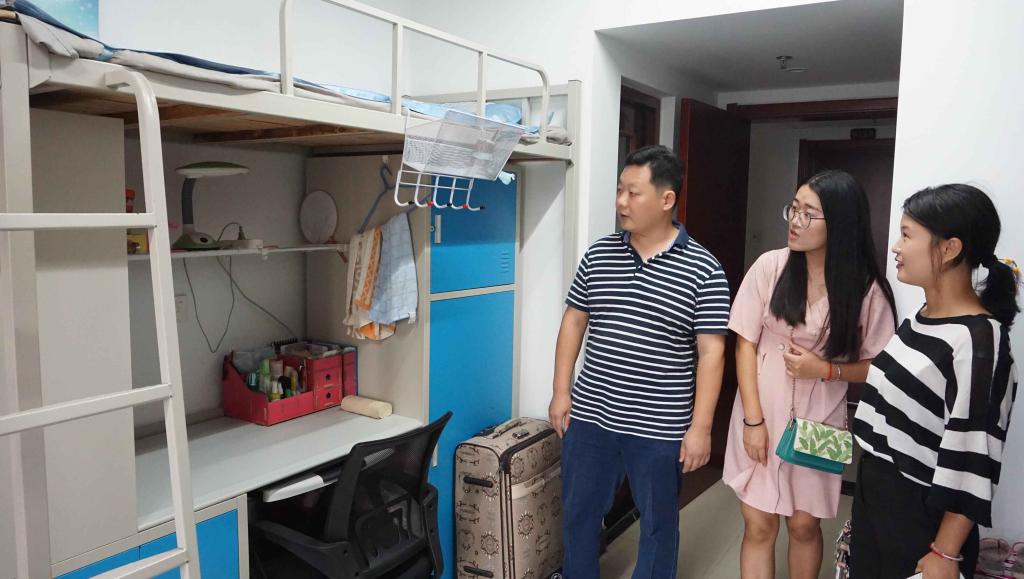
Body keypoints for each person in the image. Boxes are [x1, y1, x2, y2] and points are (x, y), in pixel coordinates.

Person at [549, 145, 730, 578]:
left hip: (660, 425)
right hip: (592, 414)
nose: (621, 202)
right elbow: (574, 321)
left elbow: (712, 353)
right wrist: (561, 391)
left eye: (633, 193)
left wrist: (701, 428)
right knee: (578, 515)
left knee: (658, 525)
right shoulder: (599, 254)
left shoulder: (704, 269)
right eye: (619, 190)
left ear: (667, 199)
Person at [723, 170, 898, 579]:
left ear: (841, 223)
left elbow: (879, 365)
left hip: (821, 420)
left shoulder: (865, 288)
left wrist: (827, 369)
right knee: (759, 523)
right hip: (760, 410)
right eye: (794, 209)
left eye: (809, 214)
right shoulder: (771, 266)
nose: (795, 221)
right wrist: (753, 421)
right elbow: (744, 343)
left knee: (804, 525)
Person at [851, 184, 1019, 579]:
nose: (896, 247)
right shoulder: (921, 317)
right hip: (877, 491)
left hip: (922, 515)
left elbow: (975, 455)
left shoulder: (979, 342)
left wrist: (945, 551)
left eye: (907, 235)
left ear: (949, 248)